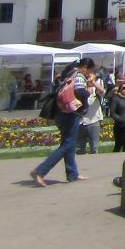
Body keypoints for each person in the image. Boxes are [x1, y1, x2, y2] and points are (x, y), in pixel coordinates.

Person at [31, 58, 93, 186]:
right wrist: (90, 90)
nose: (89, 73)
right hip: (71, 114)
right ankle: (40, 171)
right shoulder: (79, 76)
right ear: (86, 67)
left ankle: (72, 174)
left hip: (61, 112)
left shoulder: (69, 74)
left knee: (68, 143)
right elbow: (80, 91)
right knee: (67, 145)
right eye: (90, 70)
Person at [75, 66, 105, 155]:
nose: (87, 78)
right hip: (80, 122)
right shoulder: (80, 90)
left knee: (94, 148)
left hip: (93, 121)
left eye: (90, 75)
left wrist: (93, 82)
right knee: (80, 148)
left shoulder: (96, 89)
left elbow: (102, 91)